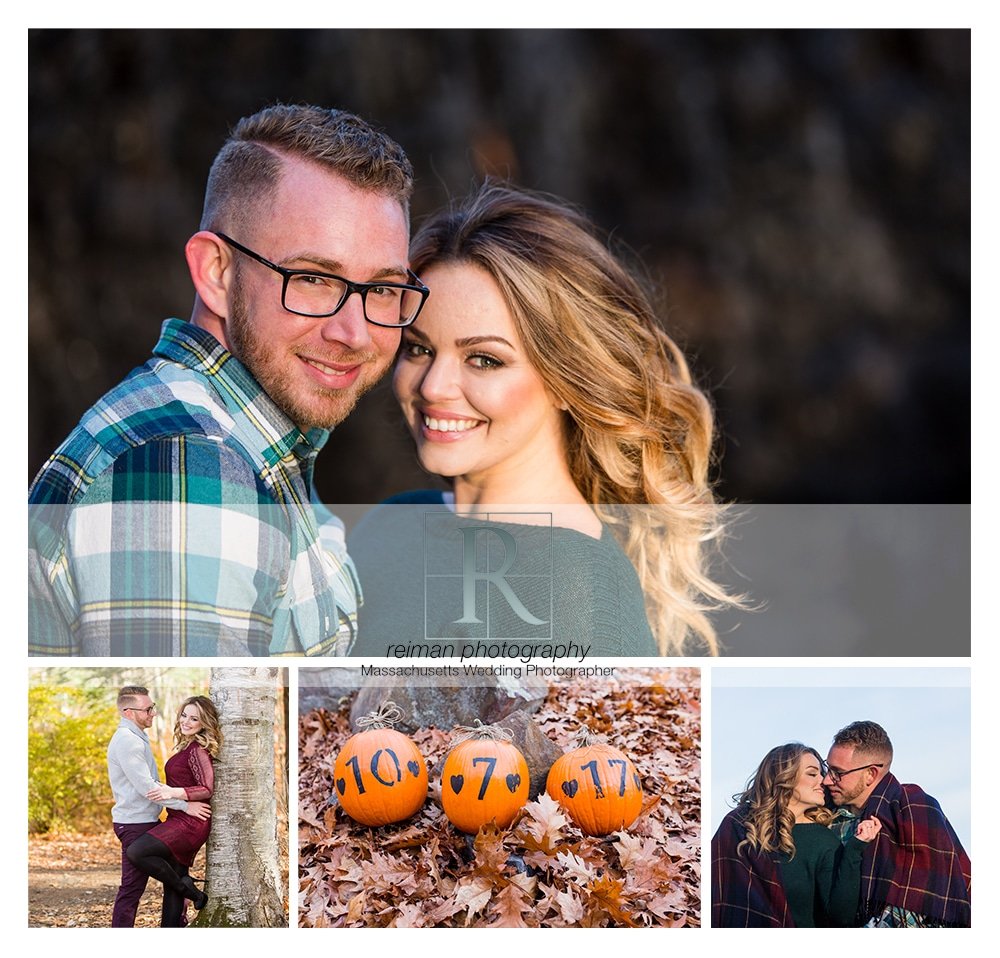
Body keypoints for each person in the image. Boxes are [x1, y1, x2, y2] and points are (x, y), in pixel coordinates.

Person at [28, 103, 427, 656]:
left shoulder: (255, 439)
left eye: (382, 289)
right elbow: (200, 733)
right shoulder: (191, 466)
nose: (354, 333)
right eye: (312, 278)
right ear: (217, 272)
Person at [349, 181, 735, 656]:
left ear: (566, 381)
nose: (432, 386)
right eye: (419, 348)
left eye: (485, 359)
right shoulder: (395, 523)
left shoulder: (582, 597)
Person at [711, 743, 881, 927]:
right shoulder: (739, 825)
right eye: (812, 773)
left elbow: (841, 917)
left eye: (820, 773)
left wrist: (854, 849)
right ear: (785, 777)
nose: (823, 781)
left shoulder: (823, 840)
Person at [823, 720, 971, 927]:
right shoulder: (824, 817)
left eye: (838, 773)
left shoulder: (914, 809)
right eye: (827, 769)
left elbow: (921, 907)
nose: (826, 780)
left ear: (870, 774)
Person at [107, 685, 212, 927]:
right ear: (128, 712)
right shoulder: (128, 742)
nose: (153, 713)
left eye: (152, 707)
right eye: (147, 709)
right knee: (132, 887)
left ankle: (174, 923)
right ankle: (191, 893)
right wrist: (185, 806)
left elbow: (159, 785)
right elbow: (148, 788)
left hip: (149, 820)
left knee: (168, 874)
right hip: (134, 823)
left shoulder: (137, 738)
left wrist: (178, 801)